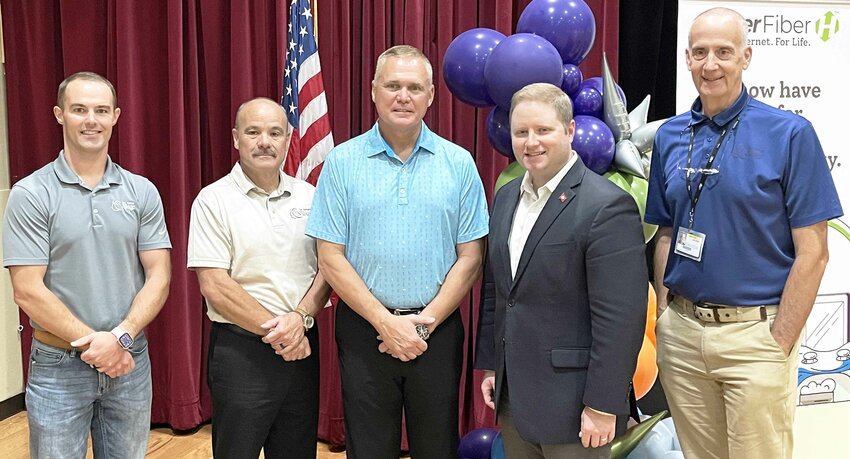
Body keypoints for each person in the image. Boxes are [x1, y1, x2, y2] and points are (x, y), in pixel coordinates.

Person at [646, 7, 843, 459]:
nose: (710, 64)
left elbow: (813, 252)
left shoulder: (790, 133)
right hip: (684, 335)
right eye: (699, 53)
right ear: (687, 59)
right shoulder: (671, 136)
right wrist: (665, 318)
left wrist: (780, 340)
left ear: (746, 57)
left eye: (723, 52)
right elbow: (665, 233)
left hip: (757, 337)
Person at [305, 45, 489, 458]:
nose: (402, 96)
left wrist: (423, 325)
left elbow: (471, 256)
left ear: (430, 96)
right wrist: (385, 323)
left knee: (437, 447)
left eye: (413, 87)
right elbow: (330, 256)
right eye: (392, 86)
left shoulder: (459, 163)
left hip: (436, 331)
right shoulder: (341, 162)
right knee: (368, 449)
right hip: (364, 331)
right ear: (373, 91)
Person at [3, 71, 172, 458]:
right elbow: (27, 288)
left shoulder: (141, 191)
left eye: (100, 110)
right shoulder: (31, 193)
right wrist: (96, 344)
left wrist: (120, 338)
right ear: (60, 115)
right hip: (58, 366)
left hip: (130, 360)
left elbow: (159, 277)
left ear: (116, 116)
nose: (90, 120)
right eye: (79, 110)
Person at [475, 83, 647, 458]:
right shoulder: (505, 198)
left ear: (569, 131)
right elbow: (498, 290)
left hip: (576, 408)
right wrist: (491, 365)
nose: (531, 142)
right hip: (515, 399)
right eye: (521, 132)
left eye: (543, 130)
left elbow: (621, 319)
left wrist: (604, 404)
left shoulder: (606, 206)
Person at [187, 97, 331, 458]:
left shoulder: (312, 198)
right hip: (242, 353)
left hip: (302, 350)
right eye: (253, 132)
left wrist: (298, 321)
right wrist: (282, 332)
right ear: (236, 138)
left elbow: (327, 271)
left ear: (288, 139)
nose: (264, 141)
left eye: (274, 132)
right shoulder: (212, 200)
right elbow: (215, 286)